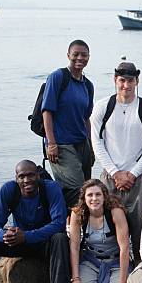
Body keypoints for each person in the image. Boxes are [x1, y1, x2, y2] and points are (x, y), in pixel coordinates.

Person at [91, 62, 142, 264]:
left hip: (139, 178)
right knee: (109, 228)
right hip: (110, 177)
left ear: (137, 81)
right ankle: (109, 269)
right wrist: (115, 172)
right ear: (115, 80)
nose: (126, 86)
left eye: (130, 81)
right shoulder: (103, 106)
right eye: (122, 80)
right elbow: (96, 142)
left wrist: (132, 173)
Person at [42, 39, 94, 208]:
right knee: (77, 191)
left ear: (89, 57)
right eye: (75, 54)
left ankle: (87, 228)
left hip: (82, 143)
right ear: (68, 56)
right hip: (61, 144)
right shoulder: (58, 77)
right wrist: (51, 143)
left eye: (84, 55)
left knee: (89, 189)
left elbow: (86, 118)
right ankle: (68, 227)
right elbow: (47, 112)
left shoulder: (88, 85)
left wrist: (91, 146)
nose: (80, 58)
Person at [67, 179, 130, 283]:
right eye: (90, 195)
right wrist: (76, 279)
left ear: (104, 196)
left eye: (98, 194)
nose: (94, 199)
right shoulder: (78, 214)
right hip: (92, 261)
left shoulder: (115, 212)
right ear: (84, 198)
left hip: (115, 262)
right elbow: (74, 247)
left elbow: (125, 248)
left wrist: (123, 282)